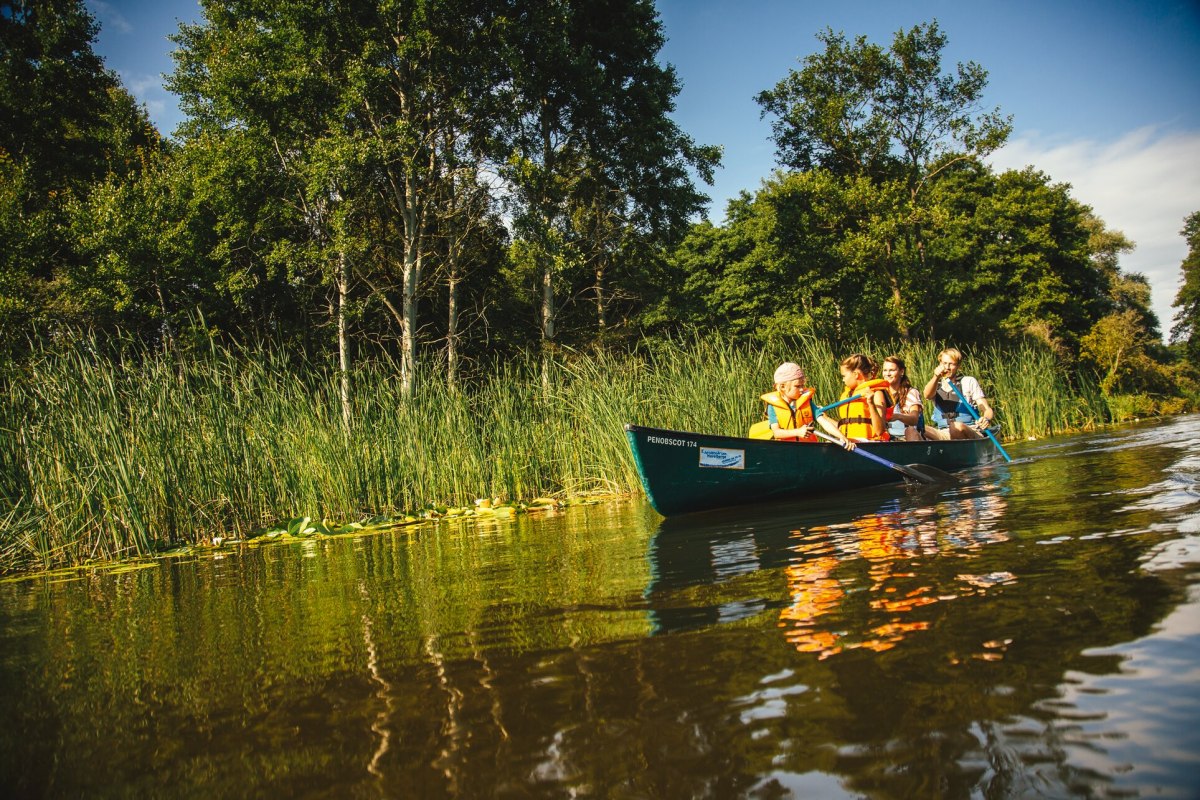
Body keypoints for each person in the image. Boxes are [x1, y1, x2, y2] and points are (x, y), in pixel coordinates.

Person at [750, 362, 856, 449]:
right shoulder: (773, 407)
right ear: (782, 387)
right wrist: (798, 432)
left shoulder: (807, 403)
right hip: (786, 450)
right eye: (797, 386)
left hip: (807, 449)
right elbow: (777, 433)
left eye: (802, 385)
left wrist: (842, 437)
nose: (802, 389)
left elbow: (824, 422)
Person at [921, 348, 995, 440]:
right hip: (943, 433)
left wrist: (986, 419)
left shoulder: (968, 381)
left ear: (958, 366)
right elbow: (927, 395)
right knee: (918, 428)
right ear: (940, 364)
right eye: (944, 363)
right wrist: (936, 376)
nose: (947, 367)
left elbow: (986, 409)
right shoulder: (935, 384)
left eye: (951, 364)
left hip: (969, 430)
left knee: (956, 427)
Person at [835, 354, 894, 442]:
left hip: (870, 443)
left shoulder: (876, 393)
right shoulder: (848, 395)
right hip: (850, 443)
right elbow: (842, 425)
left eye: (844, 376)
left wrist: (871, 403)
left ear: (855, 374)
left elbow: (879, 430)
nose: (843, 380)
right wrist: (824, 417)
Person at [881, 355, 924, 441]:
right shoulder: (880, 393)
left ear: (901, 372)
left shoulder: (911, 392)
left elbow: (914, 419)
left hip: (906, 437)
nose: (888, 374)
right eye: (885, 370)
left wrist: (897, 416)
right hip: (886, 438)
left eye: (892, 370)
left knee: (910, 430)